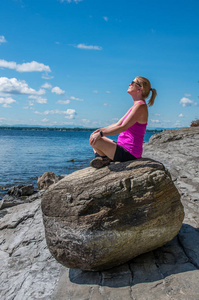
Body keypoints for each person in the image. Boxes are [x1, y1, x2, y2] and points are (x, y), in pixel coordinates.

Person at [89, 76, 157, 168]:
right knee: (94, 137)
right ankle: (104, 159)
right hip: (122, 147)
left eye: (132, 83)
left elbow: (123, 127)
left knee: (95, 141)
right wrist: (100, 130)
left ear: (140, 88)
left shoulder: (141, 107)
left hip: (129, 152)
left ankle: (104, 159)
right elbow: (118, 124)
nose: (129, 84)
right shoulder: (135, 106)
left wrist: (101, 134)